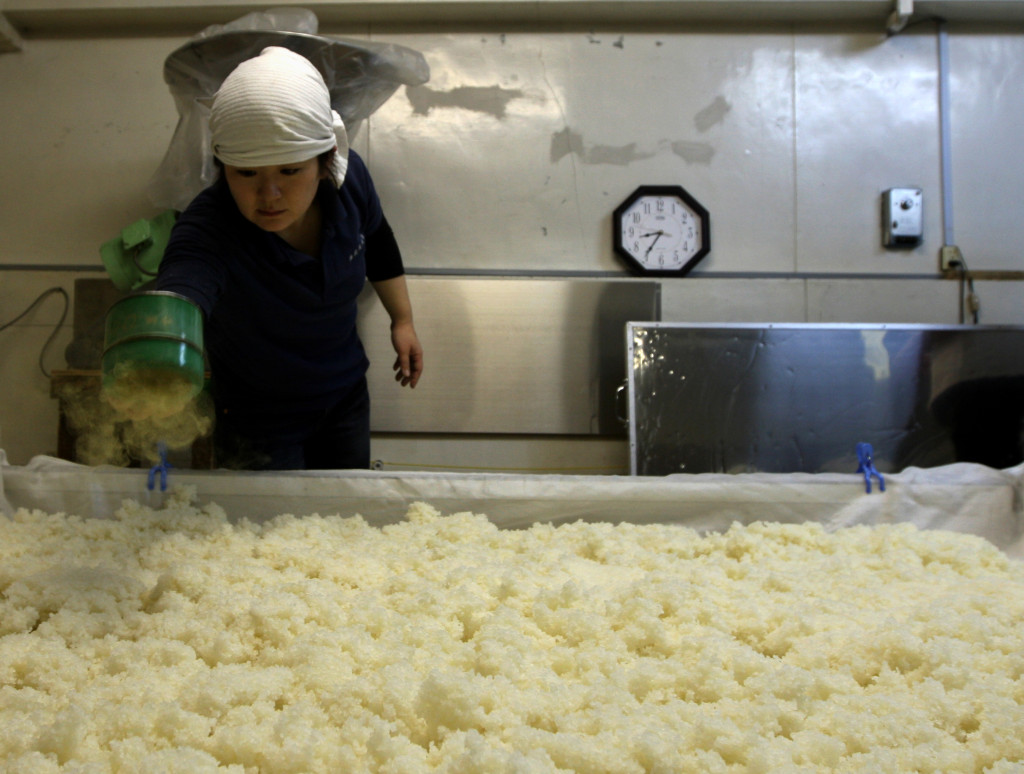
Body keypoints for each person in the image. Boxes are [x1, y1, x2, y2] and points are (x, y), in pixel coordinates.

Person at [155, 46, 423, 470]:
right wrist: (155, 352)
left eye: (289, 171)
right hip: (256, 420)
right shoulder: (210, 226)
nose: (269, 195)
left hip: (344, 397)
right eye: (247, 173)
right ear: (223, 167)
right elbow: (183, 285)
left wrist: (402, 320)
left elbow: (377, 238)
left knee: (343, 522)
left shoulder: (350, 183)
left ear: (325, 160)